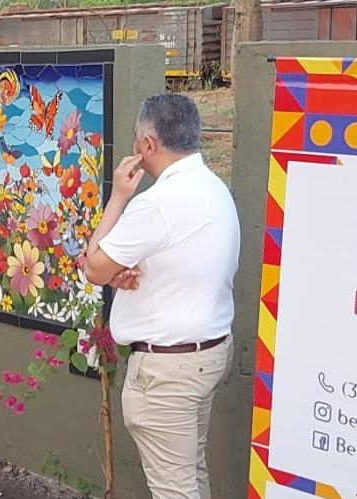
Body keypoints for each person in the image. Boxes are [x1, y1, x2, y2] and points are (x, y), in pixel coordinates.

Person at [82, 94, 240, 499]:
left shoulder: (157, 204)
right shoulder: (213, 187)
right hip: (207, 354)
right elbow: (183, 260)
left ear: (148, 146)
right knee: (189, 476)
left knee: (175, 490)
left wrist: (118, 196)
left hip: (167, 372)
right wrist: (129, 272)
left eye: (137, 140)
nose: (135, 149)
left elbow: (94, 266)